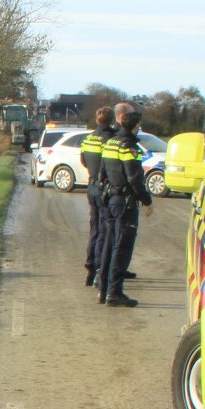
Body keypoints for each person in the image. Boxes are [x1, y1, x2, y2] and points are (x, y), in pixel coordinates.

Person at [97, 102, 154, 306]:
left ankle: (103, 289)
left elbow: (102, 173)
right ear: (135, 125)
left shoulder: (110, 143)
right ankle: (115, 293)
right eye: (139, 125)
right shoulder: (129, 147)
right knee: (121, 248)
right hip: (125, 203)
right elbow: (134, 178)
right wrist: (146, 201)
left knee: (109, 246)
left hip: (110, 200)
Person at [80, 107, 114, 285]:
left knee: (94, 228)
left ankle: (89, 265)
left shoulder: (88, 138)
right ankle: (99, 268)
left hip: (91, 185)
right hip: (103, 187)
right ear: (112, 119)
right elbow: (109, 163)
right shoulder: (108, 138)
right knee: (103, 230)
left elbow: (83, 159)